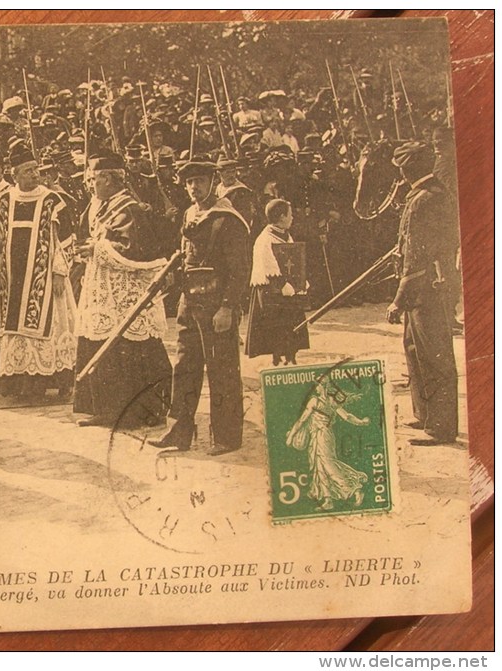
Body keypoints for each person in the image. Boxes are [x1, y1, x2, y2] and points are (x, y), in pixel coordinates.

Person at [150, 159, 249, 455]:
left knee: (222, 369)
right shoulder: (190, 214)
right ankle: (179, 431)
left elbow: (240, 269)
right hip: (189, 303)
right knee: (184, 367)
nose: (194, 187)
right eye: (190, 182)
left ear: (212, 182)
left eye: (200, 181)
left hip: (217, 304)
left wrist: (228, 307)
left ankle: (227, 436)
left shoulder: (228, 218)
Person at [73, 153, 172, 428]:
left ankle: (136, 412)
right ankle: (106, 409)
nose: (90, 184)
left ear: (108, 179)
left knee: (127, 347)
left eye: (93, 179)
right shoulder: (102, 206)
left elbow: (135, 250)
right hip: (103, 290)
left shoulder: (129, 209)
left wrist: (96, 248)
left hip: (125, 294)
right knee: (104, 346)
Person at [386, 142, 459, 446]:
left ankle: (440, 427)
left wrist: (397, 300)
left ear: (406, 169)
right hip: (427, 287)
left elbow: (417, 258)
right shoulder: (430, 194)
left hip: (425, 290)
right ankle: (425, 414)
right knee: (414, 349)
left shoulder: (422, 201)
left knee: (434, 356)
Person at [0, 144, 78, 397]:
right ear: (14, 174)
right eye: (28, 171)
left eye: (36, 170)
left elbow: (65, 240)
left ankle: (51, 380)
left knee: (51, 323)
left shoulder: (53, 200)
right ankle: (18, 382)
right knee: (14, 324)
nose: (34, 175)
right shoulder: (4, 200)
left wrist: (60, 271)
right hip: (12, 277)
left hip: (46, 278)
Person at [285, 377, 369, 511]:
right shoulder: (332, 401)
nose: (316, 388)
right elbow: (347, 416)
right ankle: (327, 499)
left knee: (328, 465)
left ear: (321, 387)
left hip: (322, 436)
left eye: (317, 386)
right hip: (321, 435)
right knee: (320, 466)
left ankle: (355, 489)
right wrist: (361, 422)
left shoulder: (315, 401)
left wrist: (291, 436)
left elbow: (301, 421)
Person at [245, 199, 310, 366]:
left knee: (291, 325)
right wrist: (282, 284)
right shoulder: (265, 239)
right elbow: (268, 264)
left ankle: (290, 356)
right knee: (277, 327)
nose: (292, 217)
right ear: (281, 217)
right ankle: (277, 359)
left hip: (287, 289)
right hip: (271, 291)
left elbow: (291, 259)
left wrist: (300, 279)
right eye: (290, 214)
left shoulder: (285, 234)